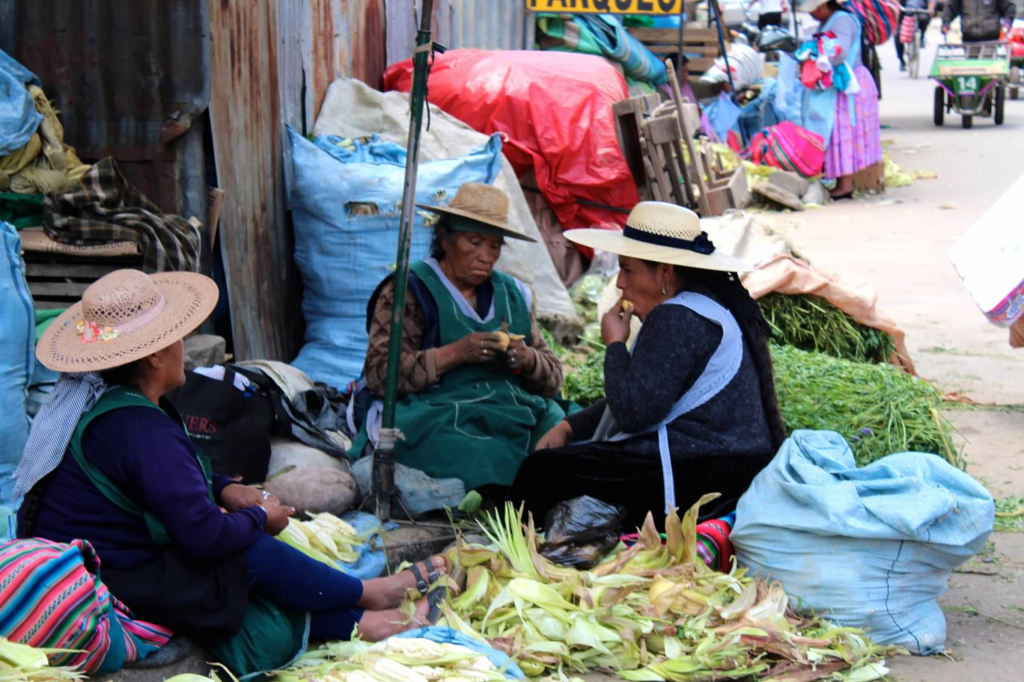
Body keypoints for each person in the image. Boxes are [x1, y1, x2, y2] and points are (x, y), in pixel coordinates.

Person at [14, 269, 455, 678]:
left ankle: (371, 618)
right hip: (112, 581)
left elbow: (152, 481)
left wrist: (225, 490)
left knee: (244, 552)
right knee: (245, 554)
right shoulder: (140, 428)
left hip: (112, 559)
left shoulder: (115, 405)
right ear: (153, 357)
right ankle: (368, 596)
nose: (182, 346)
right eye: (177, 338)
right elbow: (204, 538)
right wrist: (262, 517)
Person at [511, 202, 787, 530]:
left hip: (700, 475)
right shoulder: (700, 306)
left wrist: (615, 345)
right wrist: (570, 427)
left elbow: (634, 412)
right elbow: (648, 391)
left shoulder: (675, 318)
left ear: (665, 273)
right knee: (566, 460)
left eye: (627, 270)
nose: (619, 284)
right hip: (727, 466)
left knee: (541, 472)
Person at [352, 183, 565, 493]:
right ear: (445, 239)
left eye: (494, 246)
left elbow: (554, 378)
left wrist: (528, 359)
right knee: (480, 455)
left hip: (511, 408)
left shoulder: (513, 295)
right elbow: (380, 375)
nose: (486, 256)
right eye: (474, 242)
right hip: (439, 410)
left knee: (564, 431)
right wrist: (456, 353)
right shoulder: (409, 291)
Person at [799, 0, 883, 200]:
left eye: (813, 11)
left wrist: (814, 54)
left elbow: (841, 53)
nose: (811, 16)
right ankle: (840, 181)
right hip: (840, 85)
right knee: (839, 132)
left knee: (843, 132)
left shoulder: (842, 21)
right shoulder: (829, 21)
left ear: (822, 7)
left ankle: (845, 185)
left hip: (849, 86)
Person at [942, 0, 1015, 42]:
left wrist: (1007, 23)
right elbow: (950, 8)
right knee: (971, 67)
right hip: (968, 39)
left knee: (988, 67)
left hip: (991, 40)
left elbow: (1009, 7)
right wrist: (946, 23)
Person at [895, 0, 934, 71]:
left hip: (920, 12)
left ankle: (922, 37)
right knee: (898, 35)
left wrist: (931, 8)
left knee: (925, 19)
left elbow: (931, 2)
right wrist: (897, 6)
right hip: (905, 12)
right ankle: (901, 60)